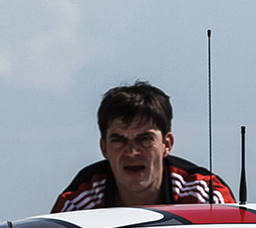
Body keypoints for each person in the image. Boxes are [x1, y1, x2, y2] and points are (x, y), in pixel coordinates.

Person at [52, 81, 235, 211]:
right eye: (119, 140)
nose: (132, 152)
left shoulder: (203, 197)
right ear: (104, 148)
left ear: (167, 144)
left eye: (144, 139)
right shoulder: (78, 205)